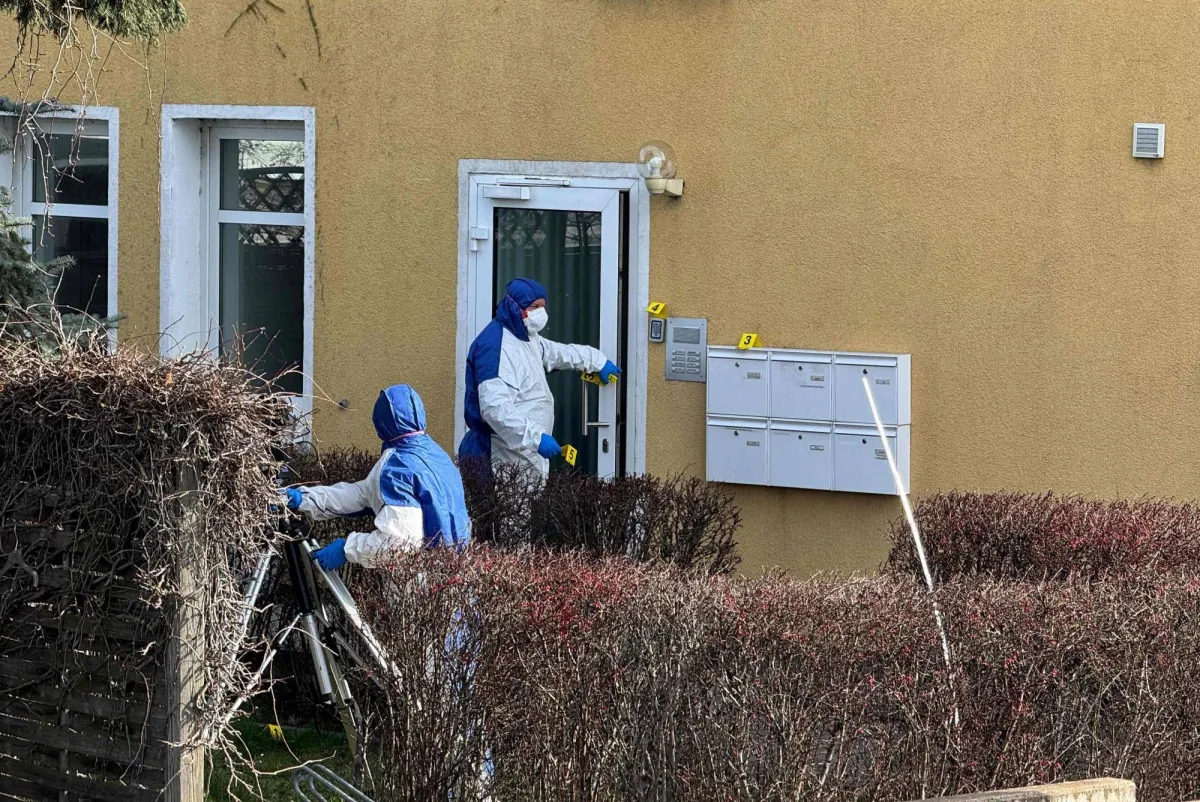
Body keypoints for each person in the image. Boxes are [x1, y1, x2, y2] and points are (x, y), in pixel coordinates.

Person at [285, 384, 471, 570]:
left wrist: (348, 549)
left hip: (421, 577)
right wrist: (305, 498)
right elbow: (363, 494)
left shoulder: (397, 468)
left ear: (380, 423)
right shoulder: (436, 455)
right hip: (455, 570)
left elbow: (398, 544)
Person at [459, 277, 621, 476]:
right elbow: (494, 408)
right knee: (507, 498)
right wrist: (536, 438)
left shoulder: (526, 337)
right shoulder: (495, 347)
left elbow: (558, 353)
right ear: (514, 306)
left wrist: (597, 360)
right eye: (534, 306)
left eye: (543, 306)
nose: (541, 313)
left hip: (523, 452)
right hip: (499, 454)